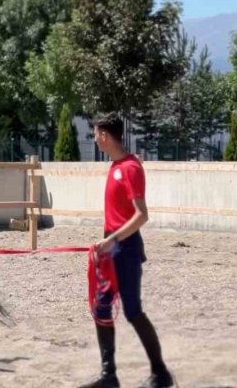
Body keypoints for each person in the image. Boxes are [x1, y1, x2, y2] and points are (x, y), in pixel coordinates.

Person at [79, 112, 174, 388]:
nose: (95, 139)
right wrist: (106, 243)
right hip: (112, 247)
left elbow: (142, 215)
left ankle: (161, 373)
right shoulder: (115, 166)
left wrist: (113, 240)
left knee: (133, 311)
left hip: (126, 247)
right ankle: (109, 375)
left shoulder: (130, 168)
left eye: (96, 134)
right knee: (101, 306)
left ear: (105, 135)